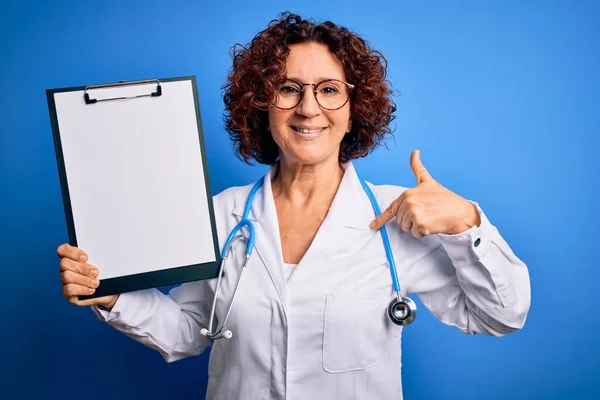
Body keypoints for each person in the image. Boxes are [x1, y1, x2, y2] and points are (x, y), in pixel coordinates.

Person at [56, 12, 531, 400]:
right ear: (263, 105)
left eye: (328, 89)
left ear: (353, 108)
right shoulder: (224, 215)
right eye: (288, 88)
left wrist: (468, 224)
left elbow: (499, 315)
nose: (308, 108)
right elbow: (188, 331)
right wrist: (112, 294)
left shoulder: (398, 217)